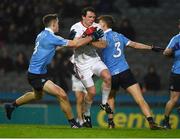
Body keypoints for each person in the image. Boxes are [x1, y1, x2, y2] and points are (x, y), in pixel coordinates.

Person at [4, 13, 103, 128]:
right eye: (57, 23)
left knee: (37, 96)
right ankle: (74, 124)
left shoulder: (42, 35)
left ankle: (11, 106)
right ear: (54, 24)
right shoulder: (51, 37)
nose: (58, 24)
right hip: (37, 75)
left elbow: (58, 46)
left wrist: (72, 39)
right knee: (62, 94)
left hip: (36, 72)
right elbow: (75, 44)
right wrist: (92, 37)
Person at [97, 15, 164, 129]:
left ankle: (111, 123)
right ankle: (151, 122)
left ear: (104, 24)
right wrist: (151, 47)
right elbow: (134, 45)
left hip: (111, 74)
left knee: (111, 97)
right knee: (139, 98)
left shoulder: (101, 37)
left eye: (99, 23)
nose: (97, 25)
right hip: (125, 72)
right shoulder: (119, 36)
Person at [70, 7, 113, 127]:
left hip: (94, 59)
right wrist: (91, 37)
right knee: (92, 92)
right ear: (83, 17)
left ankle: (104, 103)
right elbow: (75, 45)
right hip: (81, 64)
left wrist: (90, 41)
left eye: (93, 17)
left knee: (108, 76)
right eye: (89, 17)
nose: (92, 19)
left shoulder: (97, 27)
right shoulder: (75, 27)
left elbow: (103, 44)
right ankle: (87, 115)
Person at [162, 20, 180, 129]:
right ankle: (165, 121)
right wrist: (174, 47)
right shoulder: (176, 39)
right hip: (177, 72)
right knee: (174, 99)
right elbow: (165, 52)